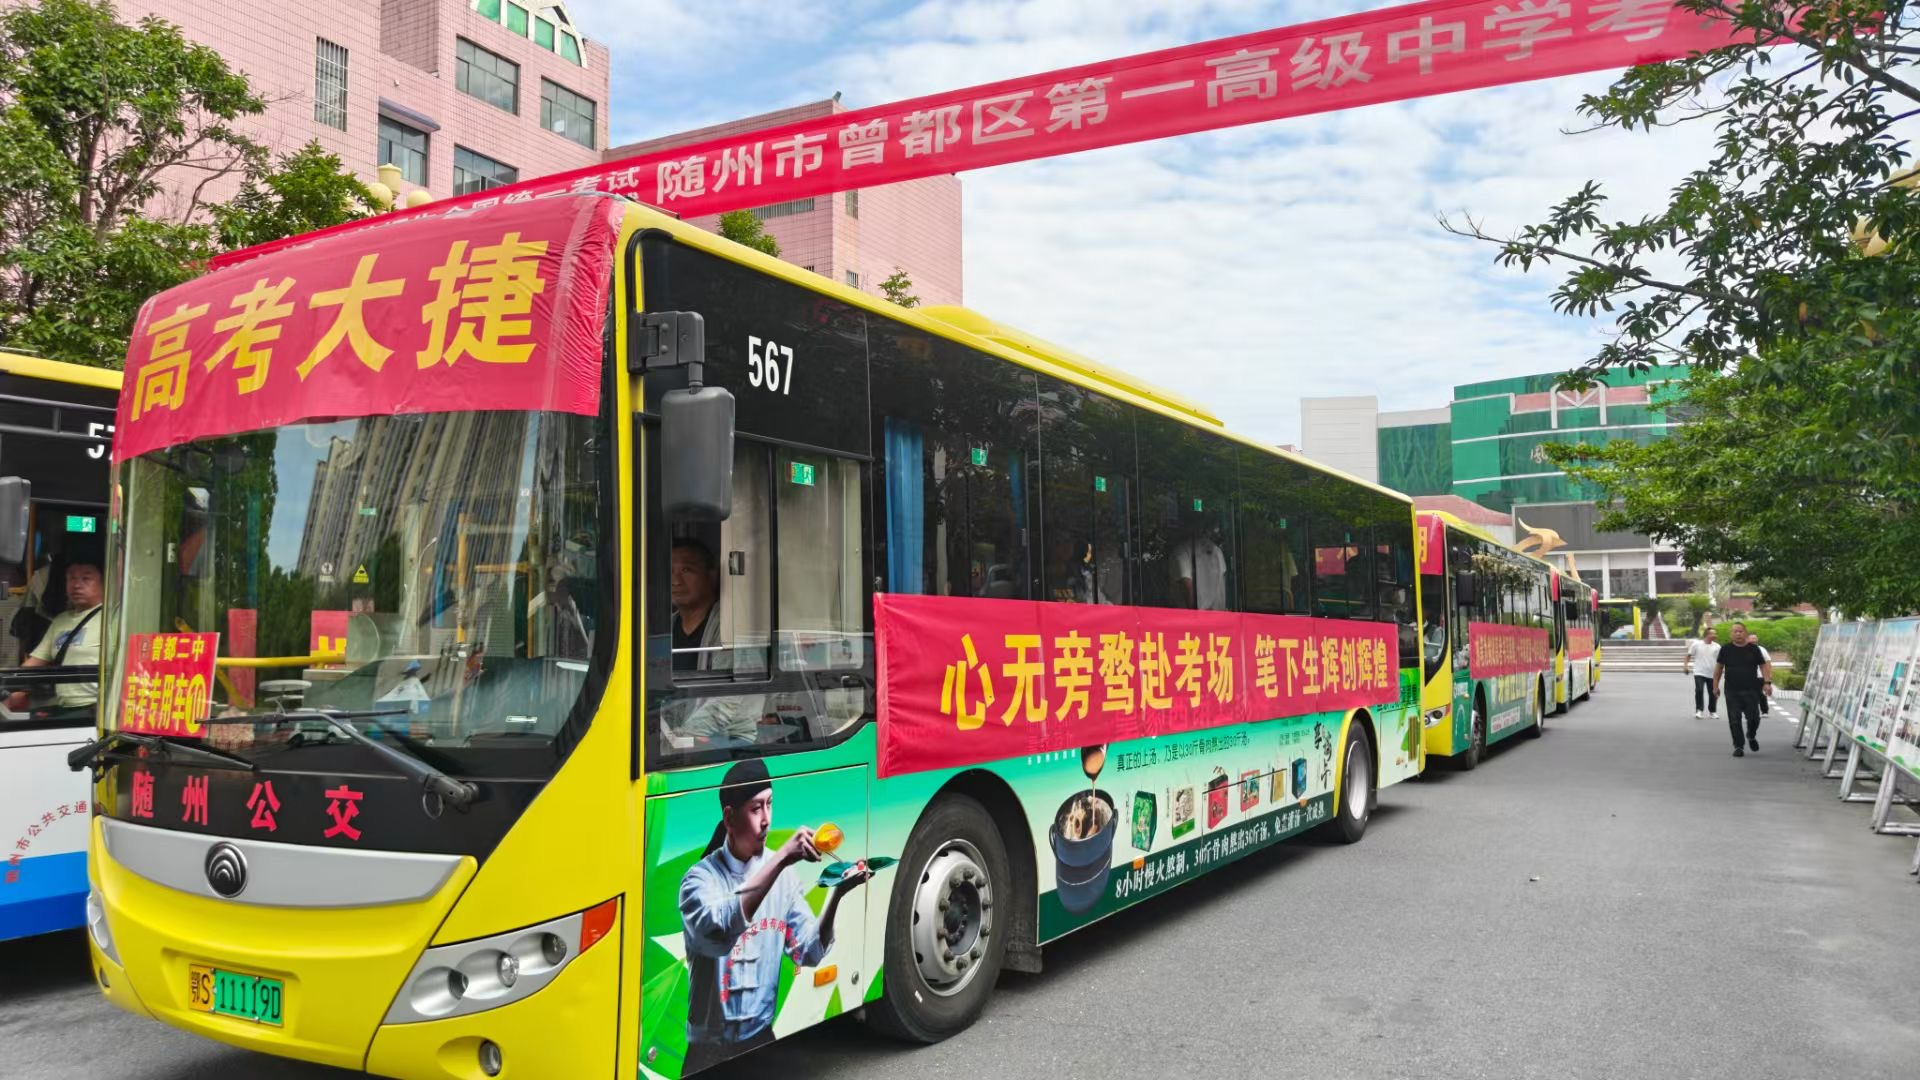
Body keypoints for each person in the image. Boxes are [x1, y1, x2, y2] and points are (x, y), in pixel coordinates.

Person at [678, 760, 870, 1073]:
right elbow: (720, 931)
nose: (766, 819)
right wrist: (780, 859)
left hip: (762, 1039)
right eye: (756, 808)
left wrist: (837, 893)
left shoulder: (785, 878)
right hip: (707, 1053)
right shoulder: (699, 880)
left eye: (770, 804)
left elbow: (808, 952)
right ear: (729, 817)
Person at [5, 558, 104, 715]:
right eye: (71, 578)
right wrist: (13, 687)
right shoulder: (60, 621)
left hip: (96, 708)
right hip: (64, 705)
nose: (77, 585)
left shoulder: (111, 618)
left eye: (86, 578)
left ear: (104, 583)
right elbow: (35, 662)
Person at [1714, 621, 1773, 757]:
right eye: (1735, 631)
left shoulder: (1754, 649)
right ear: (1731, 634)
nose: (1738, 634)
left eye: (1740, 631)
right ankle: (1738, 746)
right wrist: (1715, 686)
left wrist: (1767, 682)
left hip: (1751, 690)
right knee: (1734, 719)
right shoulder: (1725, 649)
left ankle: (1751, 735)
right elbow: (1718, 669)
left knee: (1754, 718)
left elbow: (1763, 666)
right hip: (1732, 690)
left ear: (1745, 633)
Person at [670, 538, 723, 674]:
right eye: (670, 571)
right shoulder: (665, 628)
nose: (676, 581)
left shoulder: (727, 627)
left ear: (712, 576)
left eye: (686, 570)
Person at [1170, 521, 1228, 611]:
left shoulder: (1181, 552)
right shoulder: (1217, 551)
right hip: (1219, 616)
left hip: (1196, 618)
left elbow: (1188, 590)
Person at [1685, 627, 1720, 720]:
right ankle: (1699, 710)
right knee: (1699, 690)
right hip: (1699, 671)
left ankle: (1712, 711)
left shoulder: (1717, 646)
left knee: (1712, 692)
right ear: (1707, 634)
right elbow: (1688, 655)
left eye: (1715, 633)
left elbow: (1720, 660)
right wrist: (1685, 666)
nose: (1715, 635)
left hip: (1712, 673)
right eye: (1713, 633)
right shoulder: (1696, 644)